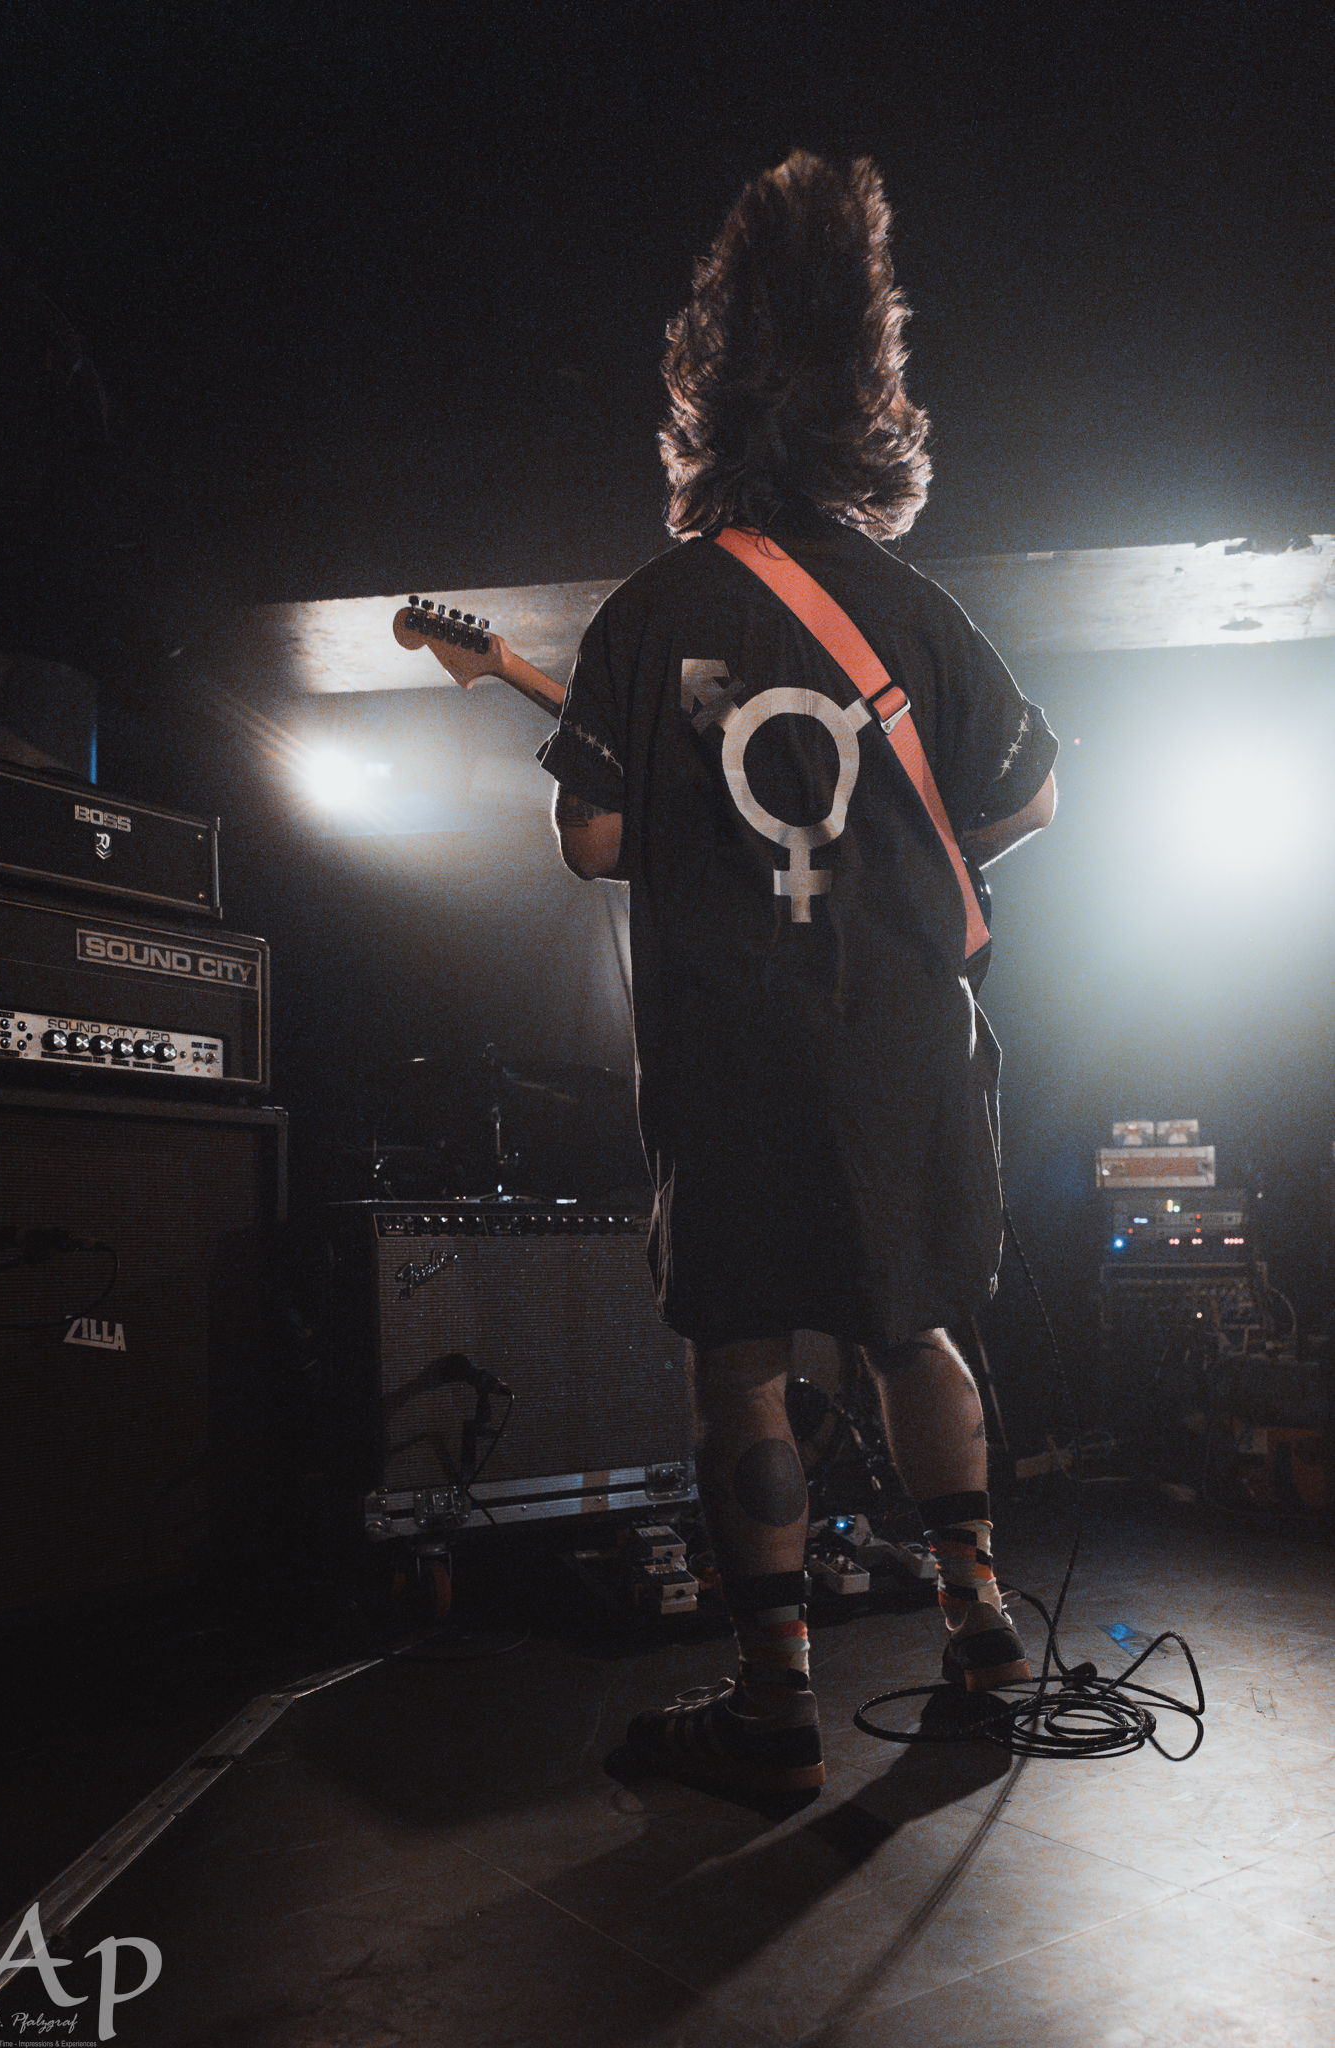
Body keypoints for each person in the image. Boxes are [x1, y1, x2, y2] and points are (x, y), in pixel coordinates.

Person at [436, 151, 1058, 1796]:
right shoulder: (919, 612)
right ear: (871, 400)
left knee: (740, 1355)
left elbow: (593, 845)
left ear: (702, 407)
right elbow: (1029, 802)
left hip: (729, 1044)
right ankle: (982, 1633)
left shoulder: (652, 614)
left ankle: (774, 1708)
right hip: (903, 1036)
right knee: (915, 1327)